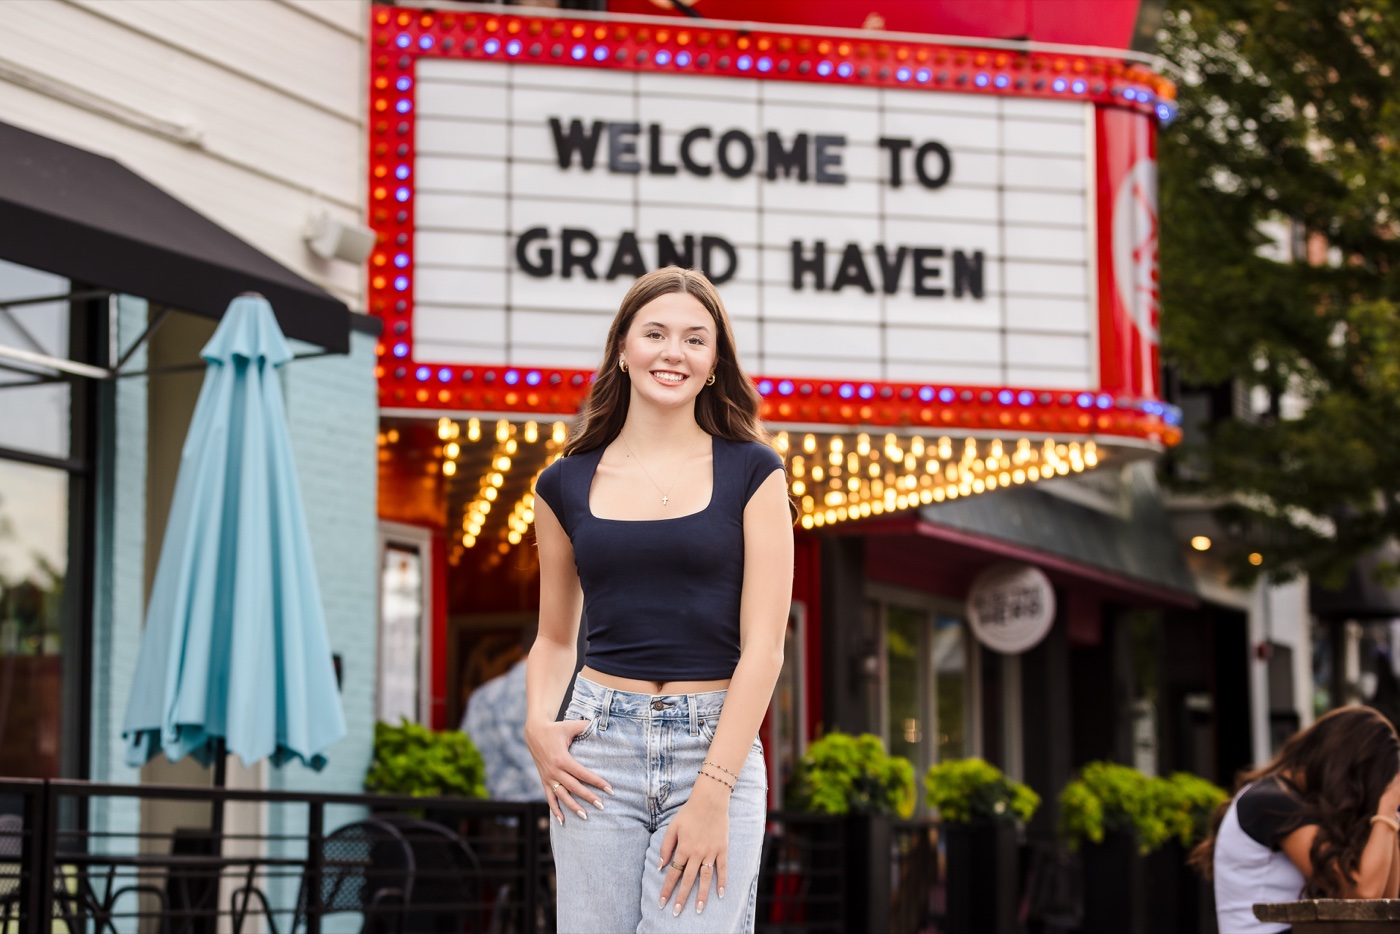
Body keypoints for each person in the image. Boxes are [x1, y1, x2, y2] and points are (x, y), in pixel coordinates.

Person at [525, 266, 793, 933]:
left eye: (695, 340)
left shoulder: (754, 472)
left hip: (714, 742)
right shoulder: (561, 485)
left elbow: (765, 647)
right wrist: (538, 725)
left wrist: (713, 791)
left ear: (712, 365)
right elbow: (555, 637)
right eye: (656, 333)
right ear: (623, 348)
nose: (674, 352)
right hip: (597, 751)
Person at [1191, 706, 1400, 932]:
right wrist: (1387, 805)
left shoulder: (1292, 801)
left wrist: (1391, 816)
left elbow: (1385, 904)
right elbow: (1363, 895)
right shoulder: (1270, 801)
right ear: (1347, 769)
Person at [461, 655, 543, 801]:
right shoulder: (555, 692)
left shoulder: (481, 696)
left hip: (494, 809)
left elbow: (464, 753)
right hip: (547, 808)